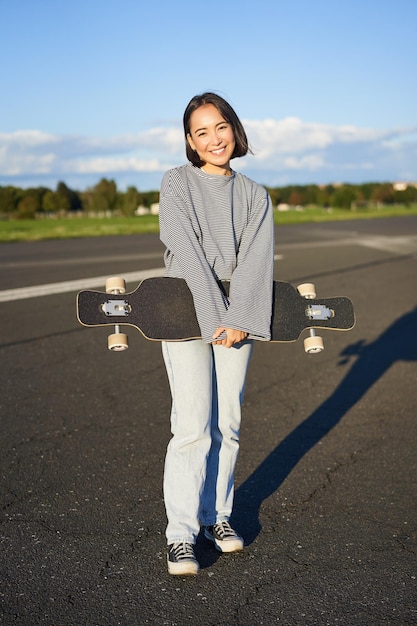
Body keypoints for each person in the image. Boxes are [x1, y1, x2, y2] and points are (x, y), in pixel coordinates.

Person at [158, 92, 274, 575]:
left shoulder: (255, 195)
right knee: (192, 426)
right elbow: (185, 251)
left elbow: (254, 263)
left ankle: (217, 518)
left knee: (227, 423)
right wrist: (214, 318)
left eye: (220, 127)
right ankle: (181, 534)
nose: (213, 139)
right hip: (185, 311)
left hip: (237, 318)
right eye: (201, 131)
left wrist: (238, 318)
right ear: (189, 140)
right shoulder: (176, 183)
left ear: (234, 129)